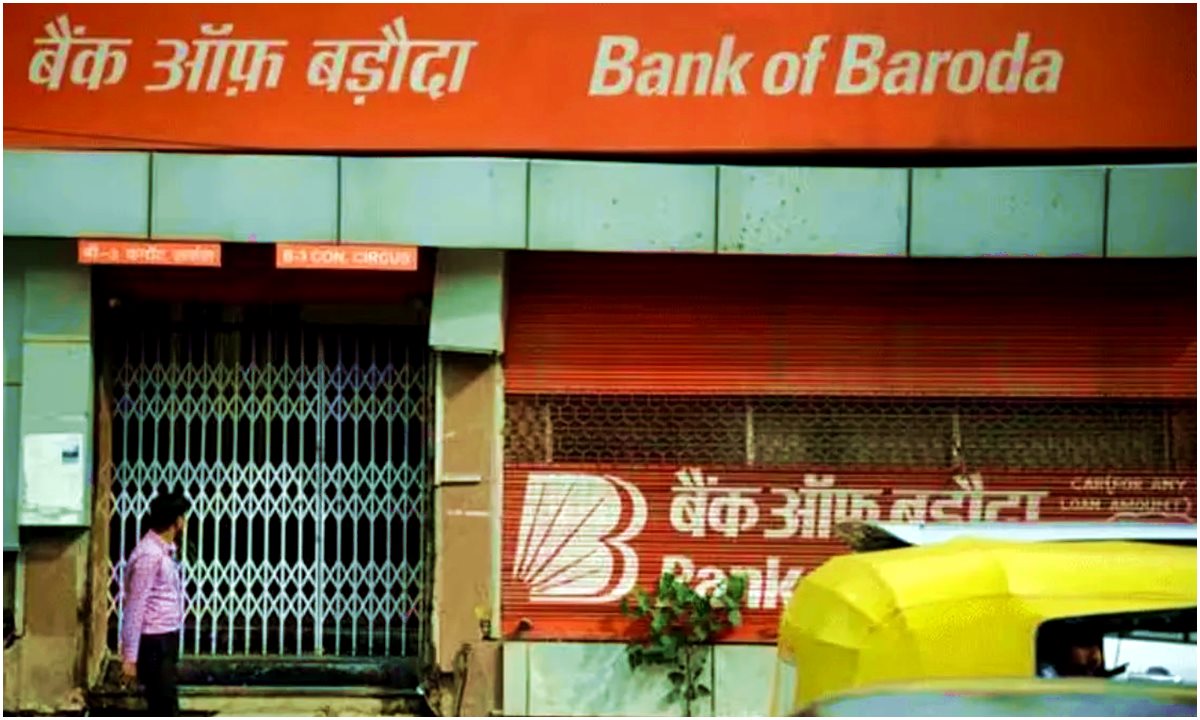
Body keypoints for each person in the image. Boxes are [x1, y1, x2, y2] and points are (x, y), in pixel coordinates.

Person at [120, 491, 190, 716]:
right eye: (182, 517)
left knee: (165, 703)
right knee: (163, 706)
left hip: (165, 637)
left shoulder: (163, 551)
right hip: (154, 641)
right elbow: (135, 605)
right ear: (176, 522)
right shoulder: (149, 555)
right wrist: (130, 656)